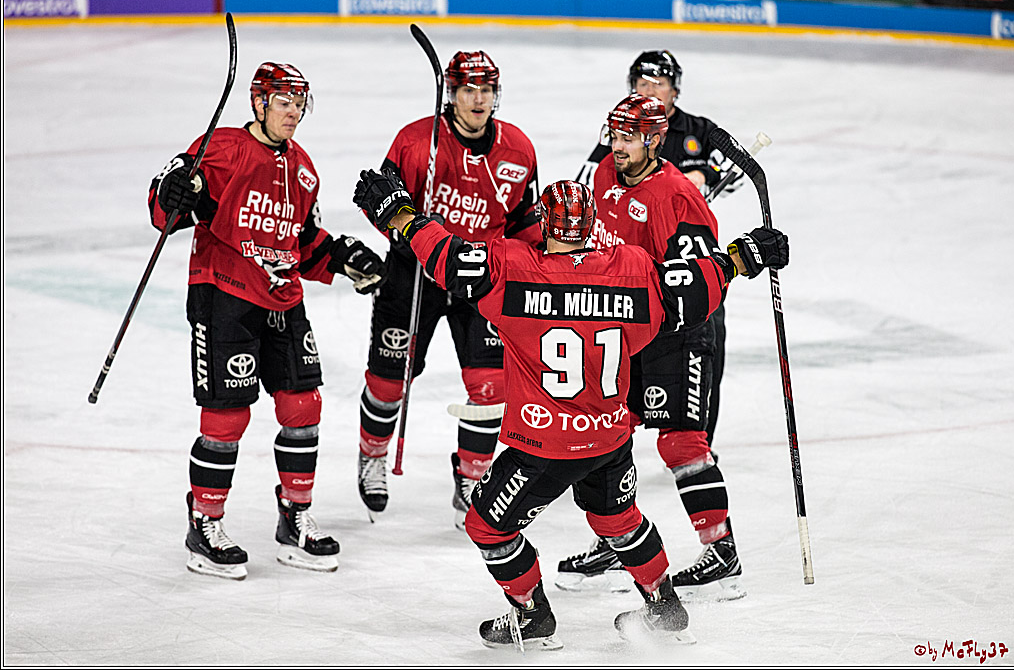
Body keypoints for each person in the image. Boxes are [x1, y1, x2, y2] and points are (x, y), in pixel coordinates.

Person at [352, 170, 789, 649]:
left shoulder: (511, 265)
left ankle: (531, 614)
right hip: (609, 437)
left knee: (485, 524)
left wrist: (400, 215)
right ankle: (664, 607)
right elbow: (690, 285)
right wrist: (746, 256)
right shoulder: (634, 268)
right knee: (618, 520)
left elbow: (450, 259)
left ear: (544, 223)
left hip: (543, 444)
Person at [148, 61, 387, 580]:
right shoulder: (223, 148)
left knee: (303, 407)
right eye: (285, 103)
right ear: (259, 103)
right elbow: (165, 200)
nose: (294, 113)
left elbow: (303, 244)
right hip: (224, 294)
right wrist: (173, 198)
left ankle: (295, 519)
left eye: (301, 104)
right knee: (226, 418)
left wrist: (346, 259)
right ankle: (204, 524)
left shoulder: (304, 169)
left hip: (283, 298)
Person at [556, 93, 745, 601]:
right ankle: (615, 538)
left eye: (625, 138)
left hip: (676, 334)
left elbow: (698, 279)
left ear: (654, 139)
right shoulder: (601, 180)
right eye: (612, 136)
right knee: (605, 432)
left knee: (680, 441)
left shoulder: (678, 196)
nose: (615, 147)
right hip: (618, 331)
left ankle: (721, 551)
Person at [354, 50, 542, 529]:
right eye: (468, 90)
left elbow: (525, 222)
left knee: (491, 387)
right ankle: (373, 454)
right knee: (388, 380)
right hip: (415, 273)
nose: (478, 100)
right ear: (451, 94)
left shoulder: (519, 150)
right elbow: (381, 202)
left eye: (486, 91)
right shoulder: (417, 142)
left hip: (481, 280)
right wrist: (409, 230)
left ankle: (473, 476)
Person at [578, 50, 737, 449]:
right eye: (642, 83)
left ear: (675, 91)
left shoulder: (697, 130)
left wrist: (704, 175)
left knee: (705, 329)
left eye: (658, 83)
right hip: (631, 269)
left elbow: (729, 168)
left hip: (684, 254)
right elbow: (591, 187)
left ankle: (696, 434)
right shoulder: (619, 143)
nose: (649, 90)